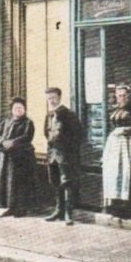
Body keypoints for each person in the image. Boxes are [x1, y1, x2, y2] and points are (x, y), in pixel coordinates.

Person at [44, 87, 82, 225]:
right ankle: (58, 210)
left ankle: (68, 213)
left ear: (59, 97)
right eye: (48, 99)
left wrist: (66, 148)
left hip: (66, 155)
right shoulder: (49, 115)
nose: (51, 101)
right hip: (52, 154)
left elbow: (77, 135)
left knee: (67, 183)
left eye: (53, 98)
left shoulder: (68, 114)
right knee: (55, 182)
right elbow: (46, 133)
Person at [0, 97, 35, 217]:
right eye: (16, 108)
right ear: (11, 110)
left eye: (21, 108)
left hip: (21, 159)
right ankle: (9, 207)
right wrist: (2, 141)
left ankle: (20, 209)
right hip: (6, 158)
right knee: (6, 182)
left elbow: (27, 137)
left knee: (19, 183)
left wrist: (12, 143)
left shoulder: (28, 123)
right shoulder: (6, 121)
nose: (18, 110)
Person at [102, 85, 131, 217]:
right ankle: (113, 202)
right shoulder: (114, 109)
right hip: (114, 144)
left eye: (125, 95)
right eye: (119, 96)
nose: (122, 98)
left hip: (126, 142)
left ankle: (124, 205)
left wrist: (128, 130)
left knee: (124, 171)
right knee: (113, 172)